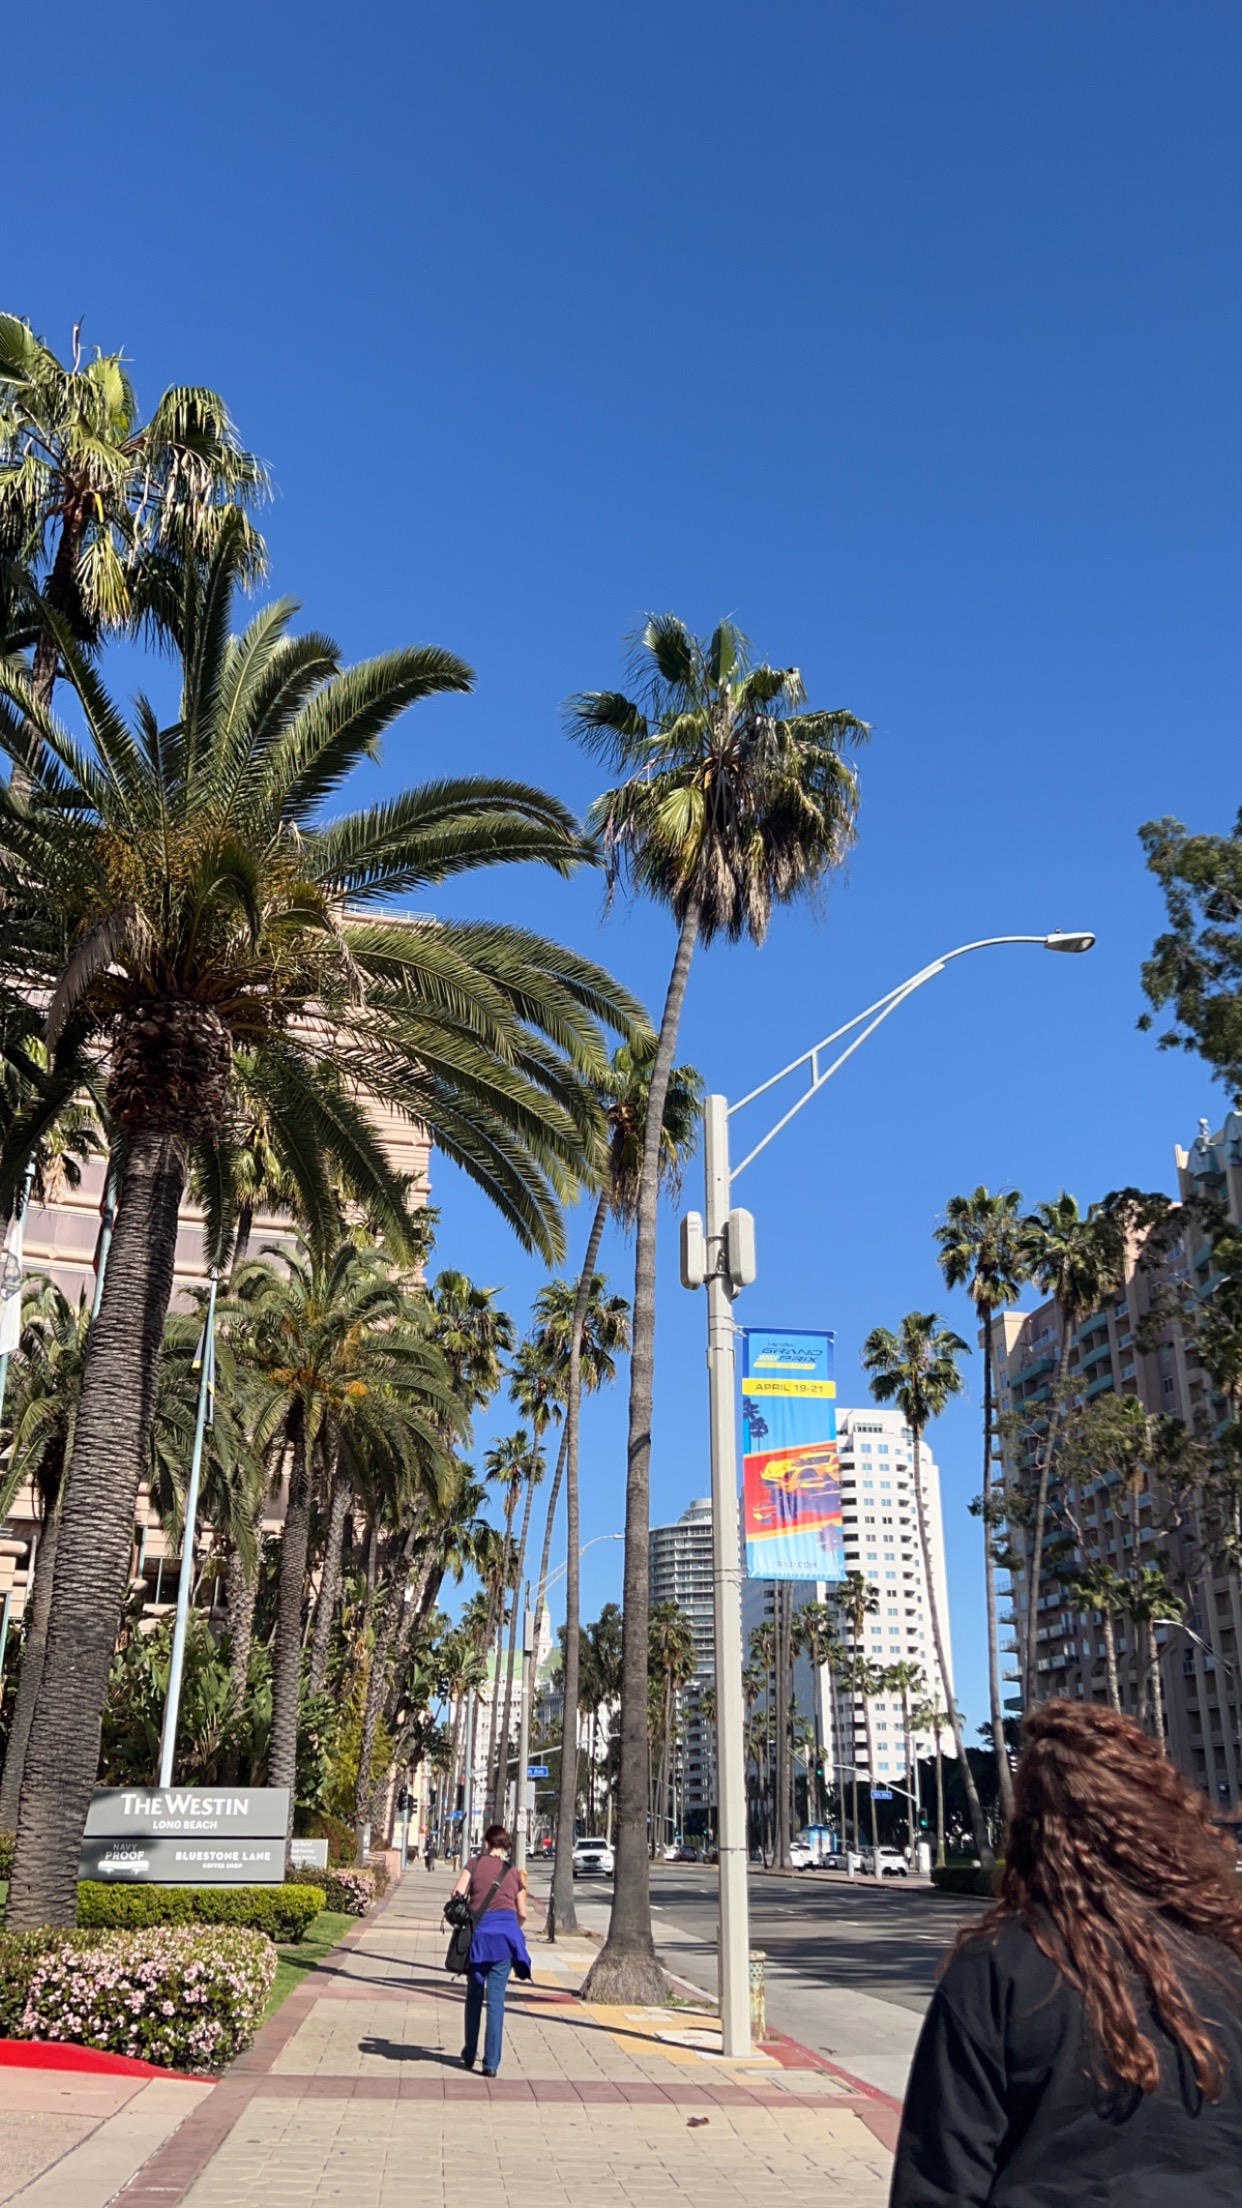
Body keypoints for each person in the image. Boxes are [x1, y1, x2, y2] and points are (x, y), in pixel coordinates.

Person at [891, 1698, 1242, 2207]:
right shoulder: (1224, 1950)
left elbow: (941, 2177)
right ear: (1158, 1812)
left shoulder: (995, 1966)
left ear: (1031, 1830)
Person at [449, 1823, 531, 2077]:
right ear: (505, 1845)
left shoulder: (474, 1864)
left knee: (474, 1995)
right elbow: (523, 1914)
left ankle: (469, 2052)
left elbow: (456, 1893)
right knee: (496, 2001)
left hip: (479, 1939)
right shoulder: (514, 1873)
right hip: (505, 1942)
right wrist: (510, 1927)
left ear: (487, 1843)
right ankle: (491, 2063)